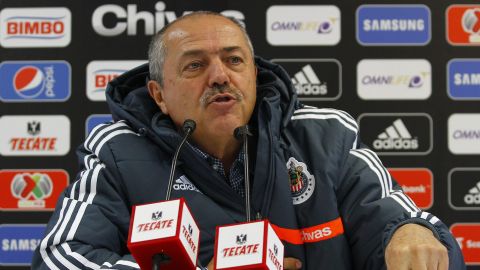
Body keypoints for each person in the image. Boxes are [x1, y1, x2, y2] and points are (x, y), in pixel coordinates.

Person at [32, 11, 465, 270]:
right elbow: (61, 257)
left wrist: (412, 234)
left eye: (234, 60)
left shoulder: (324, 137)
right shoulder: (117, 152)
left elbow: (404, 227)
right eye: (195, 65)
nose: (220, 75)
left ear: (254, 75)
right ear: (159, 94)